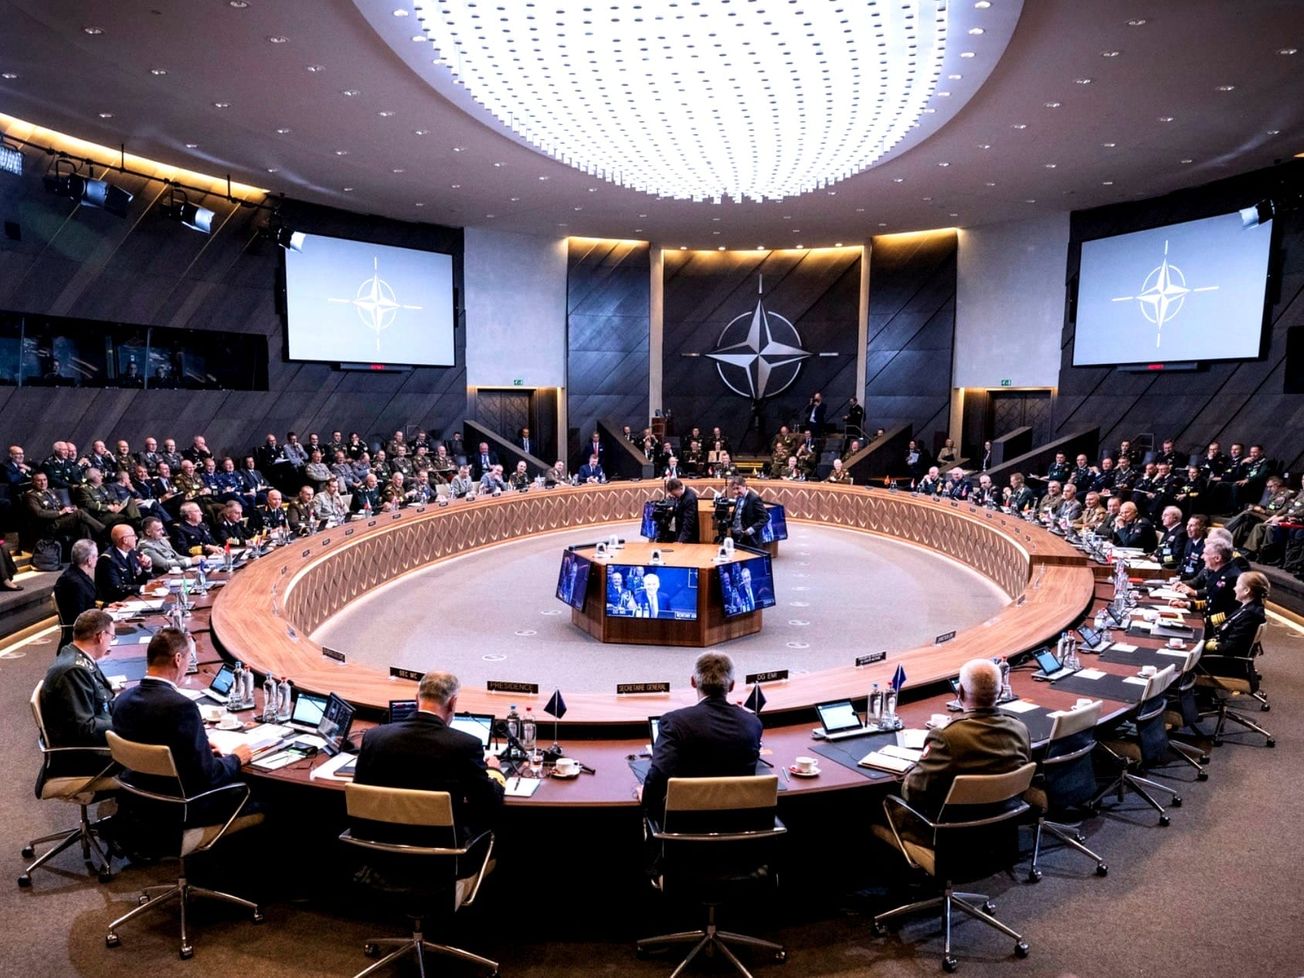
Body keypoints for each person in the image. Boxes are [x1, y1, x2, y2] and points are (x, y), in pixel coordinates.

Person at [110, 628, 253, 826]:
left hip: (137, 803)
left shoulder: (121, 700)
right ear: (178, 659)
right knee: (263, 796)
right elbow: (208, 775)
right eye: (189, 658)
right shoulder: (182, 707)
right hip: (181, 811)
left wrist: (200, 745)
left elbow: (157, 742)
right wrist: (236, 758)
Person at [352, 671, 505, 841]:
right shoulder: (464, 745)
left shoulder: (374, 738)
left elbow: (360, 794)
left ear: (417, 699)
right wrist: (494, 771)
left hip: (378, 850)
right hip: (442, 858)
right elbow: (488, 805)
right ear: (452, 703)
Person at [901, 658, 1031, 818]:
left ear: (960, 692)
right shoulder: (1020, 729)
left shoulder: (946, 736)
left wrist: (908, 774)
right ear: (1001, 691)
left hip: (950, 831)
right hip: (1004, 823)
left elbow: (913, 791)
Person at [640, 652, 763, 819]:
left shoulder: (674, 722)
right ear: (732, 685)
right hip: (738, 823)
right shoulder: (752, 723)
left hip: (686, 825)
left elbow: (659, 776)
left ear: (693, 681)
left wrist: (645, 796)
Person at [37, 609, 117, 785]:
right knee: (154, 753)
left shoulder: (75, 655)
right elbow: (85, 728)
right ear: (100, 636)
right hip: (81, 757)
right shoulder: (74, 670)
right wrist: (126, 723)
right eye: (112, 636)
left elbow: (103, 699)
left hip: (88, 745)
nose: (112, 642)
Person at [1201, 571, 1268, 658]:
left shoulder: (1250, 614)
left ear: (1246, 590)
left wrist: (1204, 645)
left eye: (1237, 585)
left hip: (1225, 661)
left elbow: (1230, 648)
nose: (1234, 588)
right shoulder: (1248, 607)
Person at [26, 471, 105, 541]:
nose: (43, 483)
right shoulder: (31, 496)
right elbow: (39, 513)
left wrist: (70, 508)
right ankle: (105, 532)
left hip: (60, 520)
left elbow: (60, 505)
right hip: (49, 525)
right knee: (80, 513)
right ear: (33, 482)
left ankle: (87, 551)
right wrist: (60, 512)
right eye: (39, 481)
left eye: (44, 480)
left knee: (83, 524)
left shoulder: (49, 491)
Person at [54, 540, 100, 646]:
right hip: (80, 637)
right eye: (96, 556)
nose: (97, 559)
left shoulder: (80, 574)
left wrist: (107, 606)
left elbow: (91, 600)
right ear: (89, 560)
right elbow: (80, 617)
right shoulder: (74, 583)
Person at [94, 524, 153, 603]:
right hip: (118, 603)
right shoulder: (107, 560)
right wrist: (143, 588)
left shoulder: (132, 553)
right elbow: (116, 589)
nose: (136, 538)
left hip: (135, 598)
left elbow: (139, 578)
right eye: (133, 535)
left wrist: (147, 568)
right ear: (125, 540)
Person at [727, 476, 769, 542]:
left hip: (749, 538)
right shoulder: (738, 498)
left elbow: (765, 517)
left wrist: (751, 529)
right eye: (734, 489)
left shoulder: (754, 499)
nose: (735, 491)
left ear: (745, 486)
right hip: (736, 535)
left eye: (738, 488)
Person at [664, 477, 699, 544]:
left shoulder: (690, 499)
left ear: (679, 488)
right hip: (678, 531)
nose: (674, 496)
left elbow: (688, 522)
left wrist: (681, 540)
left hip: (688, 539)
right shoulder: (679, 495)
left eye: (675, 494)